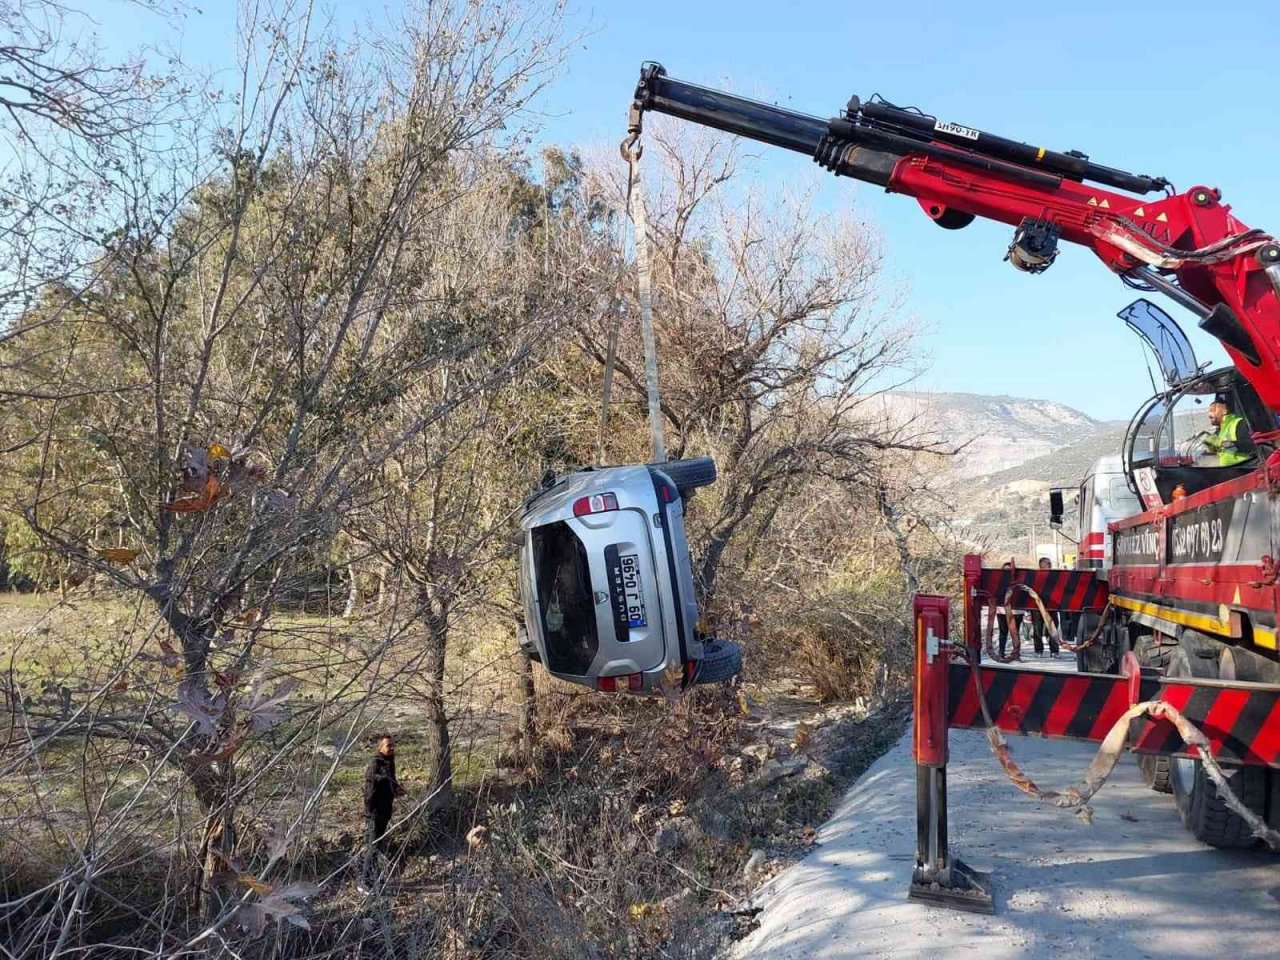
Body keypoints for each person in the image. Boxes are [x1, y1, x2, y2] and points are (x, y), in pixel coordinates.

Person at [360, 733, 405, 891]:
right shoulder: (375, 764)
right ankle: (364, 882)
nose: (392, 748)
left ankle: (375, 878)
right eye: (389, 746)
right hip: (375, 813)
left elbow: (390, 781)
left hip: (386, 810)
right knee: (373, 847)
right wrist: (370, 814)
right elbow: (369, 792)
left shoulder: (389, 761)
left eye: (393, 745)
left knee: (379, 846)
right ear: (380, 748)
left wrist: (396, 790)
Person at [1203, 392, 1255, 467]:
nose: (1209, 414)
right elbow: (1219, 450)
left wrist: (1225, 444)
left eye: (1213, 410)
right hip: (1230, 470)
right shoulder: (1220, 430)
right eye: (1209, 411)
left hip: (1244, 469)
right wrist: (1210, 446)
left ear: (1225, 411)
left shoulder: (1238, 424)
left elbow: (1253, 447)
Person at [1031, 557, 1060, 657]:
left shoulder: (1055, 576)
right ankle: (1038, 650)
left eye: (1050, 563)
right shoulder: (1035, 576)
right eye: (1048, 563)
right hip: (1037, 607)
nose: (1050, 565)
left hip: (1052, 606)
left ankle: (1054, 651)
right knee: (1037, 629)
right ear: (1041, 565)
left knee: (1053, 628)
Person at [996, 562, 1023, 658]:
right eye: (1005, 571)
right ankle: (1001, 652)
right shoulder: (998, 582)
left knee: (1015, 633)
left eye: (1009, 570)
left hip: (1017, 612)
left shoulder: (1020, 582)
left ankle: (1016, 653)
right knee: (1003, 632)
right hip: (1001, 611)